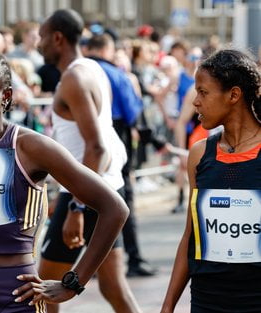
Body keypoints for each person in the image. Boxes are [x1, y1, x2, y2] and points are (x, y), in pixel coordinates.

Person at [0, 47, 129, 312]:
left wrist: (73, 282)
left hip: (17, 296)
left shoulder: (31, 148)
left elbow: (114, 208)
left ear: (6, 97)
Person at [36, 9, 141, 313]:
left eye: (43, 38)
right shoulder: (92, 68)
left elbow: (96, 148)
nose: (39, 45)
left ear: (57, 38)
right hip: (106, 189)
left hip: (87, 193)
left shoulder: (74, 78)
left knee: (42, 289)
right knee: (114, 288)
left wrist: (76, 207)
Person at [161, 49, 261, 313]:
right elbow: (190, 235)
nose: (196, 102)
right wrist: (168, 305)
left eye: (203, 92)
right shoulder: (199, 153)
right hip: (207, 299)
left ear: (234, 95)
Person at [85, 33, 157, 278]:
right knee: (123, 201)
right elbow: (132, 112)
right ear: (107, 48)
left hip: (86, 142)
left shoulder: (79, 71)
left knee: (90, 200)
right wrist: (152, 139)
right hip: (115, 138)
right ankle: (133, 258)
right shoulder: (116, 75)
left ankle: (92, 264)